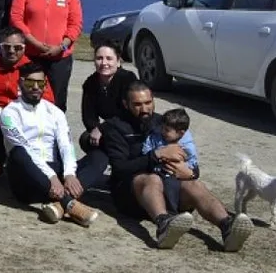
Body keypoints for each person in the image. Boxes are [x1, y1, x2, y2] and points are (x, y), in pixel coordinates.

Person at [103, 81, 253, 251]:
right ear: (126, 104)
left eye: (148, 102)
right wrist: (157, 155)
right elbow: (120, 169)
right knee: (151, 179)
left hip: (170, 189)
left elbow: (190, 157)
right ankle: (163, 225)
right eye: (137, 104)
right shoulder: (115, 128)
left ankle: (227, 226)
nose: (144, 109)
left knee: (194, 184)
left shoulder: (164, 122)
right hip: (132, 197)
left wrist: (191, 172)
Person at [0, 62, 98, 226]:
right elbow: (26, 150)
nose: (36, 87)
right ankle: (68, 202)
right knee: (18, 152)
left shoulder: (55, 111)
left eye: (41, 83)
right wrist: (51, 177)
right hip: (27, 178)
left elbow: (66, 144)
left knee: (99, 157)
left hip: (56, 175)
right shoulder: (9, 113)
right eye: (30, 83)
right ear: (21, 83)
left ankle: (58, 206)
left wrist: (69, 174)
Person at [9, 0, 82, 111]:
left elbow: (75, 24)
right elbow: (16, 19)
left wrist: (62, 46)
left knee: (57, 103)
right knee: (29, 100)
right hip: (31, 56)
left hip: (60, 58)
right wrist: (34, 43)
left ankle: (57, 136)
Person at [0, 30, 54, 165]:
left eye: (18, 47)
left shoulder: (33, 70)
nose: (12, 51)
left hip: (24, 125)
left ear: (24, 48)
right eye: (6, 47)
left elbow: (48, 102)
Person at [77, 39, 137, 185]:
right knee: (86, 139)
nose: (104, 63)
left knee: (107, 145)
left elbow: (130, 113)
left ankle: (117, 172)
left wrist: (103, 128)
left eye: (109, 58)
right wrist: (95, 128)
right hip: (109, 132)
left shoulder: (128, 79)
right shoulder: (91, 83)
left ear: (118, 61)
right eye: (99, 58)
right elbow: (88, 116)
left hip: (129, 129)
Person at [141, 108, 199, 176]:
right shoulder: (156, 137)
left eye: (167, 130)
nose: (163, 131)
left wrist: (185, 167)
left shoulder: (187, 147)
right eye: (162, 127)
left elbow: (192, 161)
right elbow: (146, 148)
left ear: (181, 133)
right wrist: (155, 155)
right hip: (155, 171)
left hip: (175, 174)